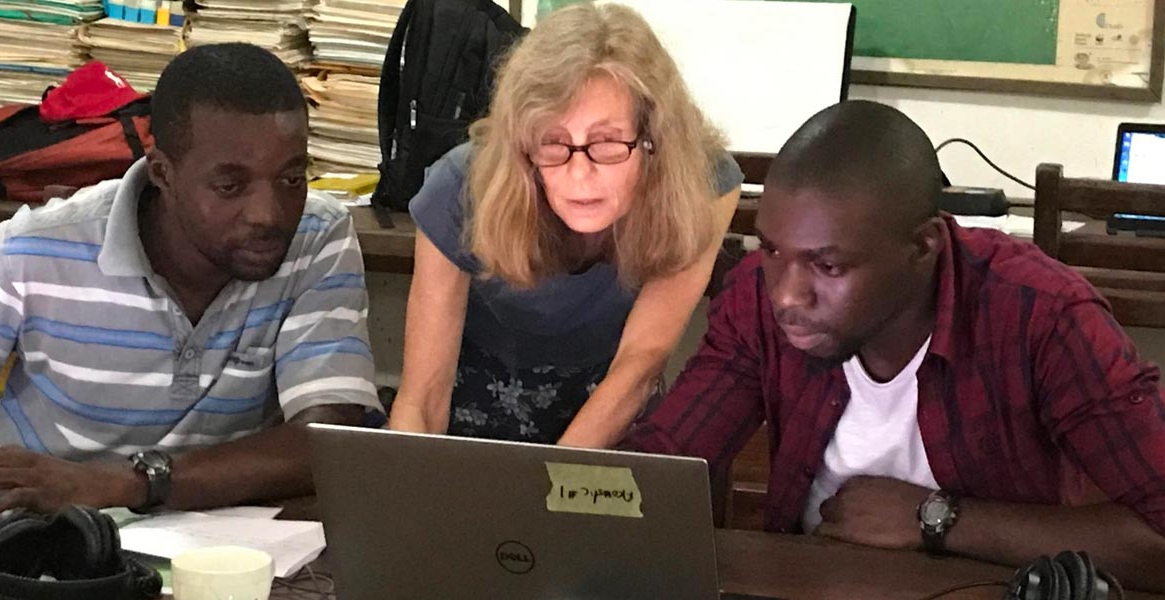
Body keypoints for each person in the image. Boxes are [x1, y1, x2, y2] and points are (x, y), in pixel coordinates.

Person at [623, 100, 1165, 591]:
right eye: (770, 249)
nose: (785, 294)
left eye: (828, 265)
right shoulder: (755, 300)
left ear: (923, 246)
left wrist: (937, 520)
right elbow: (665, 466)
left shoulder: (1042, 318)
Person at [0, 43, 384, 517]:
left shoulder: (318, 235)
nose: (269, 215)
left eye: (291, 179)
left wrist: (128, 483)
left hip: (220, 542)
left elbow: (325, 442)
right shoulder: (33, 250)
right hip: (33, 528)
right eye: (230, 186)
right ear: (163, 172)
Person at [387, 3, 743, 447]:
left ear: (654, 139)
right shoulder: (459, 185)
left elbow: (642, 361)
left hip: (612, 406)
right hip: (474, 410)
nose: (579, 175)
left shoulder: (702, 182)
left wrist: (551, 492)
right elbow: (421, 400)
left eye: (607, 142)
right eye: (552, 143)